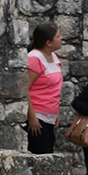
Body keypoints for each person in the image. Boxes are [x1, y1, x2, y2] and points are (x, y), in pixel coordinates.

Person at [26, 22, 63, 154]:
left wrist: (56, 112)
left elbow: (54, 88)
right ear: (48, 42)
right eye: (58, 36)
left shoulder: (53, 57)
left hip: (50, 117)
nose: (61, 38)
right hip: (38, 117)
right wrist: (32, 118)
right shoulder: (34, 58)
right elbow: (25, 89)